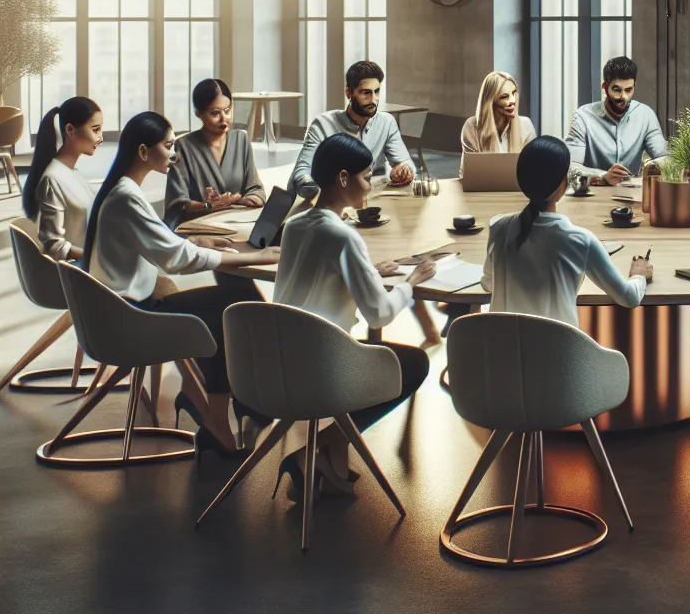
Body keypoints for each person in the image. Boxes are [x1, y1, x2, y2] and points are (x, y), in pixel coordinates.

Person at [83, 112, 281, 457]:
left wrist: (203, 244)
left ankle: (220, 400)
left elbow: (159, 243)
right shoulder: (127, 198)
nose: (174, 155)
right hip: (131, 318)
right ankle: (223, 413)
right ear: (144, 152)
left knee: (230, 302)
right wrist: (254, 258)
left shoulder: (120, 191)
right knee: (230, 309)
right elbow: (177, 259)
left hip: (120, 310)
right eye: (169, 146)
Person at [268, 134, 436, 501]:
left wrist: (367, 271)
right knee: (413, 364)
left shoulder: (295, 226)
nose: (371, 185)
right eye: (366, 176)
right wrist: (410, 282)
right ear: (343, 178)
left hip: (276, 359)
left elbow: (315, 276)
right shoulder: (344, 237)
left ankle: (328, 460)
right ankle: (312, 452)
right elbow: (379, 311)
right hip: (322, 365)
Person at [482, 136, 653, 324]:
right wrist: (639, 275)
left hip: (504, 352)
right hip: (561, 353)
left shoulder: (498, 228)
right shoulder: (581, 240)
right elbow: (628, 298)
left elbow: (488, 284)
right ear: (563, 183)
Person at [290, 60, 415, 197]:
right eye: (365, 93)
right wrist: (315, 189)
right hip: (331, 200)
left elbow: (406, 163)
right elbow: (302, 171)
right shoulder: (322, 124)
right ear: (349, 93)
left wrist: (403, 171)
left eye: (376, 91)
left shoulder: (386, 122)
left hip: (369, 198)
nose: (373, 100)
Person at [164, 78, 266, 230]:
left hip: (238, 222)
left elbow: (255, 187)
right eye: (215, 113)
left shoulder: (241, 139)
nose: (224, 119)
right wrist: (208, 205)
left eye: (228, 110)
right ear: (199, 113)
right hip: (200, 225)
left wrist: (249, 199)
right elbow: (178, 204)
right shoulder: (184, 146)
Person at [566, 56, 669, 185]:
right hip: (594, 194)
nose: (623, 97)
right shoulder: (583, 116)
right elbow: (571, 168)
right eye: (616, 90)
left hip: (632, 197)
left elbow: (663, 158)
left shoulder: (645, 115)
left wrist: (655, 167)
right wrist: (602, 176)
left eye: (628, 90)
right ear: (605, 87)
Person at [21, 96, 101, 262]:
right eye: (95, 130)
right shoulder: (52, 179)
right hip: (79, 273)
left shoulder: (73, 173)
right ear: (70, 130)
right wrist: (96, 258)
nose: (100, 137)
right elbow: (53, 245)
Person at [461, 71, 536, 154]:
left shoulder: (526, 125)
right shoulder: (471, 127)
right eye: (504, 97)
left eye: (514, 93)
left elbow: (531, 164)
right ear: (491, 102)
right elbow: (470, 165)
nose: (513, 101)